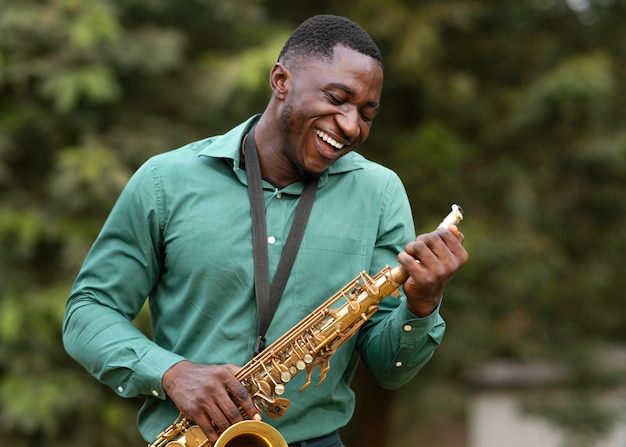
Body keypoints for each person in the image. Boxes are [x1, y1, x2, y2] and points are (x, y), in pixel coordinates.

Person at [62, 14, 468, 447]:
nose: (351, 126)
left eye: (366, 113)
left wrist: (421, 305)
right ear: (280, 80)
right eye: (336, 98)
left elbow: (390, 369)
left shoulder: (380, 192)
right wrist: (172, 373)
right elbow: (88, 311)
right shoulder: (166, 181)